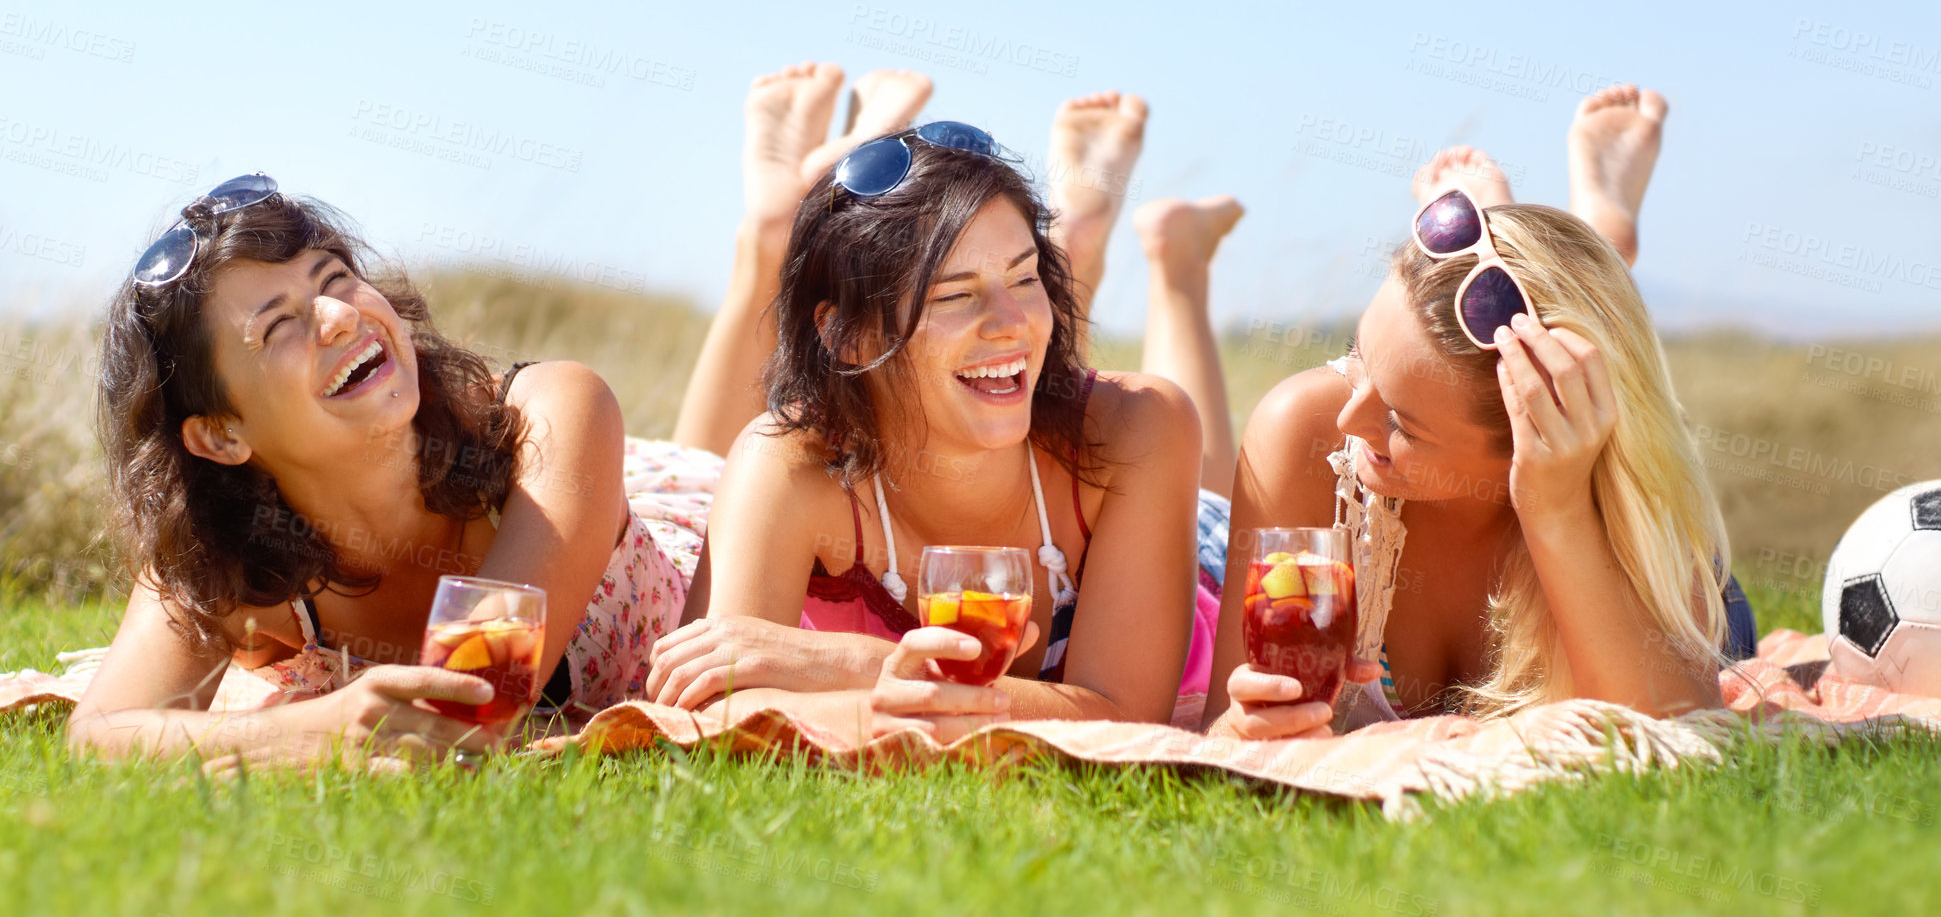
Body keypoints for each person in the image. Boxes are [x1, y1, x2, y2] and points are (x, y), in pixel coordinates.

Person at [68, 173, 719, 768]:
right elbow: (98, 736)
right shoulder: (221, 541)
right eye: (278, 327)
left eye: (334, 279)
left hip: (669, 521)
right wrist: (315, 727)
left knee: (725, 462)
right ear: (220, 433)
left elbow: (471, 705)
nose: (342, 316)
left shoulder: (552, 411)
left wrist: (305, 740)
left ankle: (767, 232)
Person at [649, 80, 1230, 739]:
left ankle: (1175, 265)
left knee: (1197, 470)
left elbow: (1122, 717)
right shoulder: (792, 462)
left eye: (1024, 277)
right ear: (846, 334)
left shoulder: (1139, 424)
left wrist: (847, 664)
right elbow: (701, 708)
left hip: (1191, 547)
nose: (1011, 323)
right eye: (954, 295)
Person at [1200, 85, 1760, 738]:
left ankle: (1589, 250)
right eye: (1358, 357)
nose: (1349, 422)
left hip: (1671, 580)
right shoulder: (1304, 426)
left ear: (1527, 436)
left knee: (1716, 627)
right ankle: (1560, 250)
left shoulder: (1625, 496)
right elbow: (1223, 728)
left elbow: (1665, 733)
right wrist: (1250, 721)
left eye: (1401, 424)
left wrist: (1555, 507)